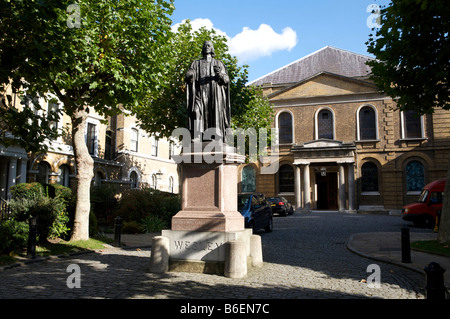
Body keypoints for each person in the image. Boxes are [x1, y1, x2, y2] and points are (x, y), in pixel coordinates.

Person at [185, 41, 231, 141]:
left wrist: (220, 74)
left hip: (214, 94)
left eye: (209, 45)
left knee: (214, 115)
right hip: (200, 94)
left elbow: (226, 80)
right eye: (205, 45)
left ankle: (215, 136)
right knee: (196, 111)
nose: (207, 47)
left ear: (212, 49)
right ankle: (197, 136)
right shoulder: (196, 64)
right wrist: (189, 75)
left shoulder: (218, 63)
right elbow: (190, 74)